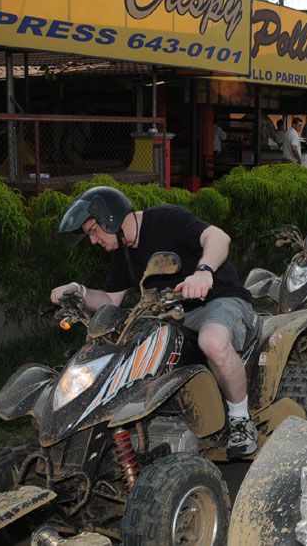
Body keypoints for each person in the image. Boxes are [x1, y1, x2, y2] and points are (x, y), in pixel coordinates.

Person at [52, 187, 258, 458]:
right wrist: (78, 291)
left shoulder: (166, 218)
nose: (93, 240)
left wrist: (204, 271)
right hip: (171, 314)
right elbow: (110, 300)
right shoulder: (122, 253)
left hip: (219, 299)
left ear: (110, 219)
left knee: (212, 341)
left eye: (94, 231)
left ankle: (241, 420)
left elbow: (218, 236)